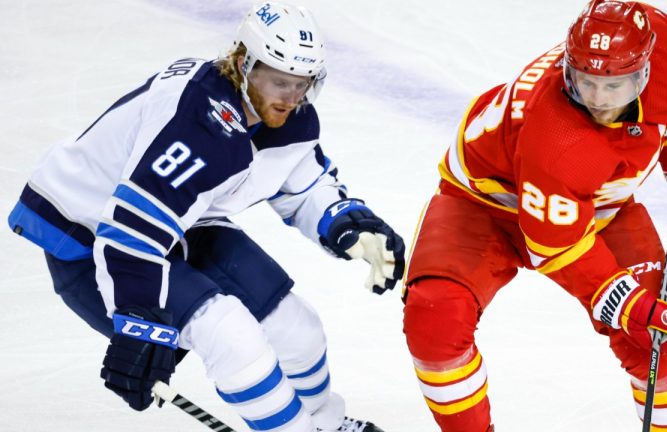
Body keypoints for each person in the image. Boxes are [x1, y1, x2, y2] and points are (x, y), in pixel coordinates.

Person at [7, 2, 404, 431]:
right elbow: (129, 235)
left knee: (297, 330)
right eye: (280, 82)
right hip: (89, 237)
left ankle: (326, 424)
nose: (293, 97)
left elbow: (303, 184)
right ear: (241, 63)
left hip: (181, 221)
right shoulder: (200, 124)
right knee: (231, 337)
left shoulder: (280, 116)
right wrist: (138, 322)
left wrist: (349, 224)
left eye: (303, 84)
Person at [402, 1, 667, 431]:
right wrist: (629, 305)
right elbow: (558, 249)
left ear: (645, 67)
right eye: (585, 83)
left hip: (597, 206)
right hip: (484, 201)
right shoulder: (558, 141)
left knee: (657, 345)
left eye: (615, 87)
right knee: (434, 320)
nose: (597, 101)